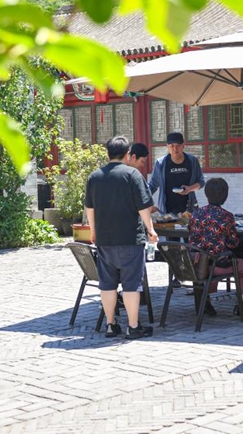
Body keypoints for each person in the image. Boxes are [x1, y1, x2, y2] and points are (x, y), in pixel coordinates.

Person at [85, 136, 158, 340]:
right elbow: (143, 207)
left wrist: (93, 230)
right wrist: (150, 229)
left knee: (107, 284)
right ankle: (133, 326)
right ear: (128, 154)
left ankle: (111, 325)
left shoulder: (95, 176)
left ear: (107, 154)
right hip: (129, 238)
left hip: (104, 239)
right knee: (131, 284)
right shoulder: (132, 174)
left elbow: (89, 207)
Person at [188, 178, 243, 318]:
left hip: (195, 264)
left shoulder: (195, 214)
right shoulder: (226, 216)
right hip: (215, 266)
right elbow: (233, 243)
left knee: (211, 256)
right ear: (225, 195)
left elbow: (191, 237)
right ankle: (241, 305)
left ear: (206, 194)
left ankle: (206, 300)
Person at [149, 132, 205, 215]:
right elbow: (152, 185)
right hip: (166, 211)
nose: (175, 149)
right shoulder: (160, 163)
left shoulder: (192, 161)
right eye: (171, 146)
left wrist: (189, 188)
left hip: (189, 210)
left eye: (178, 145)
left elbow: (201, 182)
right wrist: (141, 201)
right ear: (167, 146)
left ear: (183, 145)